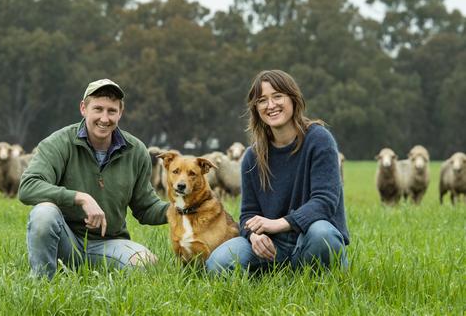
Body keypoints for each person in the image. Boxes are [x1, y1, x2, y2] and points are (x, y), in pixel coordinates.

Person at [19, 78, 169, 279]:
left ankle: (93, 270)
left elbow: (146, 208)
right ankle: (41, 281)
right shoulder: (59, 143)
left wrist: (182, 209)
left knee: (148, 264)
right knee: (43, 213)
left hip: (109, 243)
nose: (104, 118)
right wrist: (80, 198)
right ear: (84, 108)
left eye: (111, 111)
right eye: (98, 109)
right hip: (65, 241)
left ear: (120, 113)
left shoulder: (135, 151)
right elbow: (28, 187)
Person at [206, 70, 349, 275]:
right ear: (256, 109)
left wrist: (278, 224)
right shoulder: (252, 157)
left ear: (293, 98)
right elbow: (248, 213)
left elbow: (324, 202)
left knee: (322, 233)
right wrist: (254, 236)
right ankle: (274, 276)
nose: (271, 105)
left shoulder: (319, 140)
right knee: (218, 262)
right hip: (273, 246)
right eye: (262, 100)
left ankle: (315, 275)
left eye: (277, 96)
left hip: (308, 237)